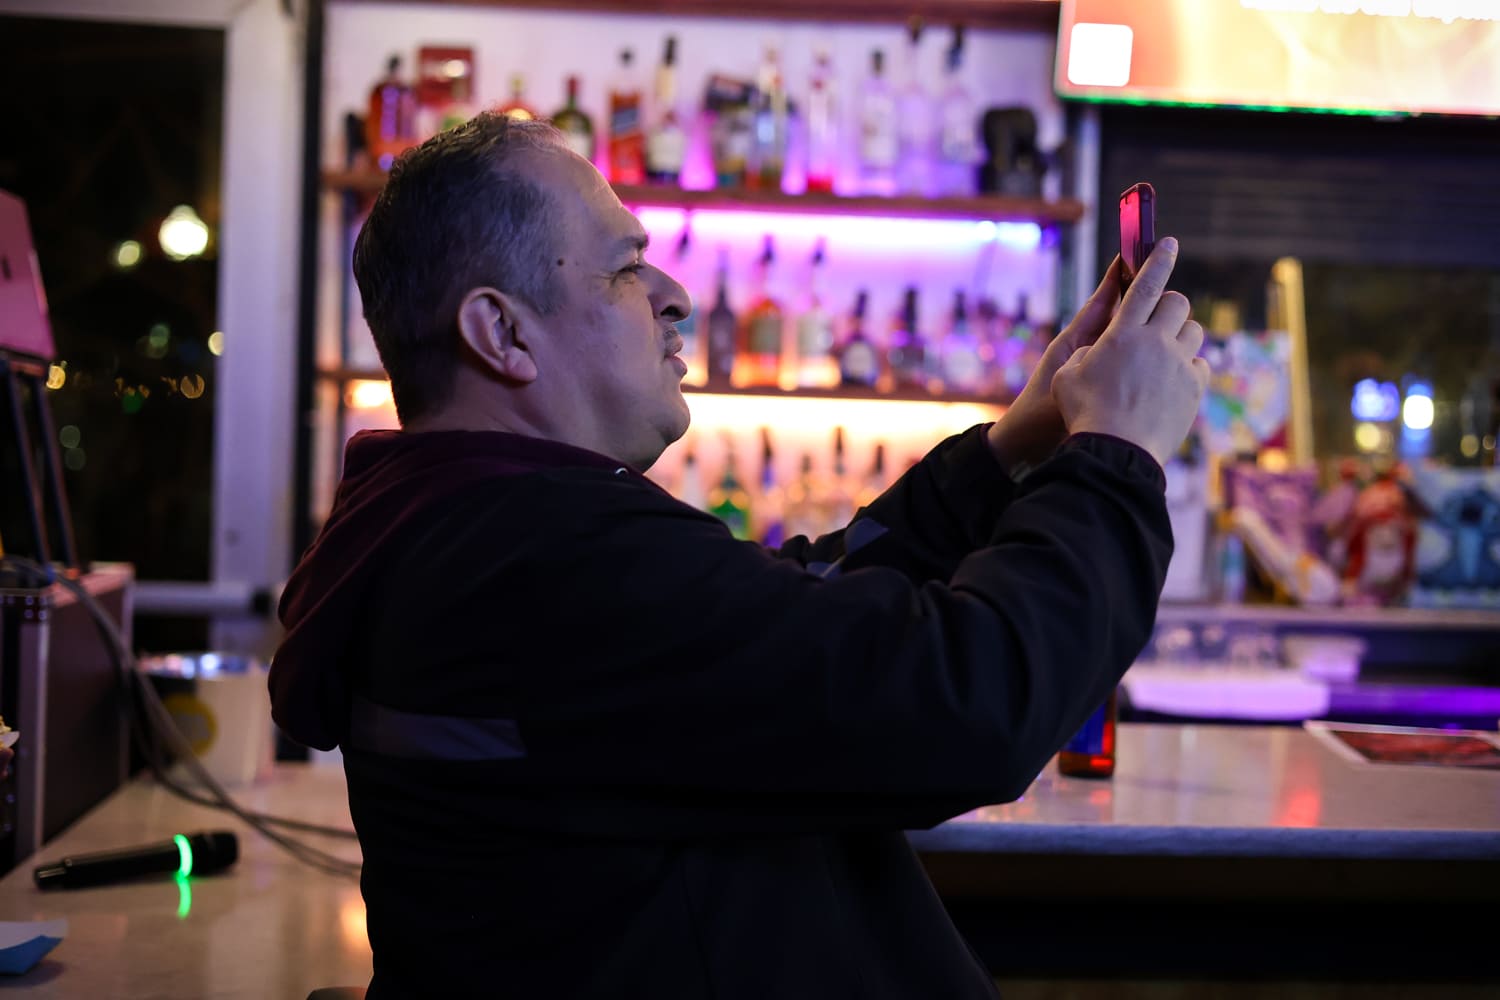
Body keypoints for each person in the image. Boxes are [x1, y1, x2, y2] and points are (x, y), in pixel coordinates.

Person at [270, 112, 1207, 999]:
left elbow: (801, 605)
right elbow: (970, 702)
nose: (673, 295)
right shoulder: (542, 561)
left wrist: (1014, 447)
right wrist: (1115, 454)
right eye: (625, 268)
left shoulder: (471, 533)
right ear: (504, 333)